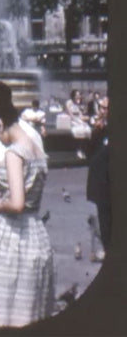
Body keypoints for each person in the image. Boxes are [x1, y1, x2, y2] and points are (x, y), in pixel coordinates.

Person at [0, 98, 55, 327]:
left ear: (0, 123)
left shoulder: (14, 154)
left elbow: (17, 203)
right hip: (36, 234)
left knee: (2, 308)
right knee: (30, 307)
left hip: (13, 235)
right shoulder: (36, 147)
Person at [86, 97, 110, 254]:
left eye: (105, 108)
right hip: (102, 186)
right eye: (100, 107)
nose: (101, 111)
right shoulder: (100, 129)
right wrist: (96, 132)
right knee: (105, 223)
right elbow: (90, 154)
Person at [65, 89, 91, 159]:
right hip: (73, 120)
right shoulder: (69, 102)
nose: (78, 96)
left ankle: (83, 149)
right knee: (79, 130)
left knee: (87, 130)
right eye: (77, 95)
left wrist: (83, 116)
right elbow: (70, 114)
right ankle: (78, 149)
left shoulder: (79, 102)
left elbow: (82, 113)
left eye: (79, 95)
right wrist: (77, 120)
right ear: (73, 96)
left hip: (80, 119)